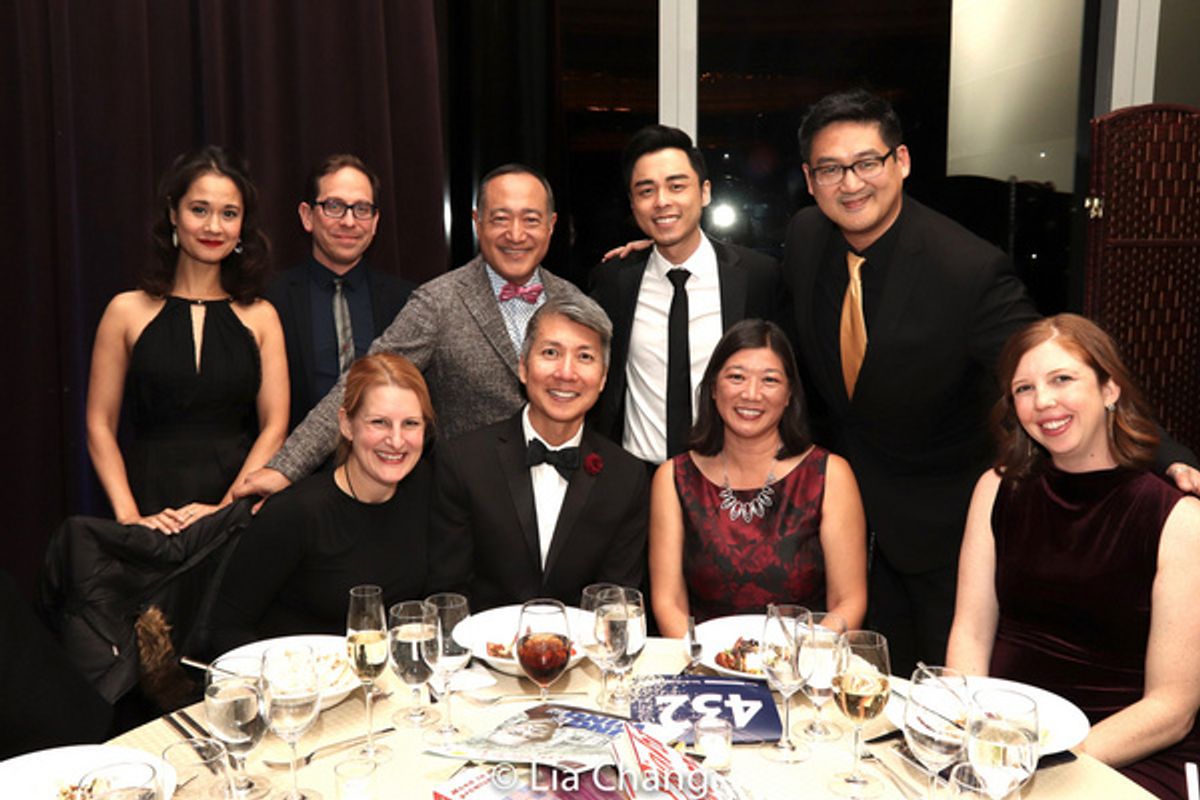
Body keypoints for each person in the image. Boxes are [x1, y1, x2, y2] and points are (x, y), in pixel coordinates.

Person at [783, 89, 1198, 673]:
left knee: (937, 698)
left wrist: (1166, 454)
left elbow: (1050, 363)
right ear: (810, 178)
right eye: (831, 169)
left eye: (866, 163)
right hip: (845, 531)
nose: (850, 183)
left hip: (940, 534)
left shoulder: (966, 270)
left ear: (900, 161)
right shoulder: (806, 239)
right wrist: (665, 254)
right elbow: (760, 299)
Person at [946, 314, 1200, 800]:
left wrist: (1049, 758)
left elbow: (1173, 707)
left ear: (1110, 389)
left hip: (1130, 752)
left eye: (1063, 379)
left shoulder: (1178, 518)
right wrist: (969, 729)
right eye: (1024, 388)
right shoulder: (997, 489)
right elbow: (971, 633)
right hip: (1005, 739)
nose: (1043, 401)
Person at [235, 164, 587, 500]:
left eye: (530, 219)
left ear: (551, 225)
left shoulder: (580, 307)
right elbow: (361, 383)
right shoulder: (437, 301)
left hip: (564, 496)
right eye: (500, 218)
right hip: (468, 507)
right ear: (478, 223)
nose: (515, 234)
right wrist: (285, 469)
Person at [86, 146, 288, 534]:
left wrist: (226, 508)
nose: (214, 227)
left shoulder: (262, 316)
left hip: (237, 516)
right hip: (148, 507)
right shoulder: (125, 311)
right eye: (199, 209)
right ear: (173, 213)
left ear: (243, 225)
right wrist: (130, 518)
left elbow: (275, 427)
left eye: (229, 214)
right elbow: (99, 422)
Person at [426, 296, 648, 611]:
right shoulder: (463, 461)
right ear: (523, 367)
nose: (566, 373)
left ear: (603, 378)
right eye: (550, 353)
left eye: (584, 356)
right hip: (484, 653)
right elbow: (449, 596)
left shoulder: (626, 476)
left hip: (584, 654)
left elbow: (616, 603)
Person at [649, 319, 867, 638]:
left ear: (790, 393)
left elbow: (848, 602)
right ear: (713, 387)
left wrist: (800, 661)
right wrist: (707, 660)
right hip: (705, 669)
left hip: (801, 669)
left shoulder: (830, 474)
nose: (751, 394)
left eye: (770, 380)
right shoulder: (674, 478)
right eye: (736, 377)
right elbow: (668, 603)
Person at [210, 353, 434, 651]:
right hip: (297, 685)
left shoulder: (427, 489)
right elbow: (225, 629)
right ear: (346, 425)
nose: (396, 441)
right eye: (379, 423)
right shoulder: (295, 513)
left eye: (410, 424)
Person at [590, 125, 785, 466]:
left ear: (705, 192)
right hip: (637, 481)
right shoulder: (613, 282)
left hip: (730, 476)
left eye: (677, 186)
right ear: (633, 203)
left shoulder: (759, 277)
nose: (662, 201)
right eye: (646, 190)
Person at [266, 154, 414, 432]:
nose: (349, 221)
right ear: (307, 216)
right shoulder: (271, 300)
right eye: (334, 206)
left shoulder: (408, 302)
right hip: (297, 468)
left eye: (361, 209)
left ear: (375, 222)